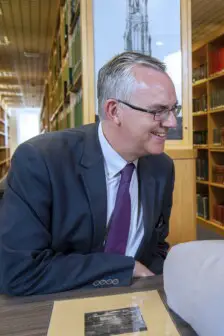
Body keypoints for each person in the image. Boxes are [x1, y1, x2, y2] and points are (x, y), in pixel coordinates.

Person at [0, 51, 178, 295]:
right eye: (159, 111)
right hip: (58, 305)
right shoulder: (41, 160)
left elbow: (156, 247)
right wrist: (122, 269)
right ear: (114, 111)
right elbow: (19, 270)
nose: (172, 123)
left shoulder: (162, 168)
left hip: (140, 301)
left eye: (173, 109)